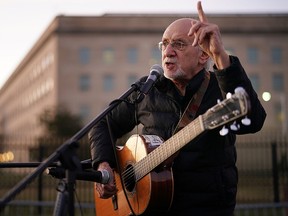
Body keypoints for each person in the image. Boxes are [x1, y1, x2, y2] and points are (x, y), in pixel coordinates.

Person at [89, 1, 266, 216]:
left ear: (203, 55)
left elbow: (254, 120)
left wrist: (220, 56)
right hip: (151, 209)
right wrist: (104, 165)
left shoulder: (221, 86)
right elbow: (103, 123)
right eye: (164, 44)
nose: (168, 51)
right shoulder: (147, 89)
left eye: (179, 44)